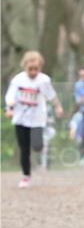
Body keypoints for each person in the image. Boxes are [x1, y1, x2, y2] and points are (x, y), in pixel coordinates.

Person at [5, 50, 63, 187]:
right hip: (20, 118)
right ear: (24, 66)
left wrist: (58, 107)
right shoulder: (18, 80)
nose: (33, 72)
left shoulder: (44, 80)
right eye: (30, 69)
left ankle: (41, 145)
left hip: (37, 118)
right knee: (23, 148)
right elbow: (9, 96)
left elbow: (52, 96)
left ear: (40, 67)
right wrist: (9, 107)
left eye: (36, 69)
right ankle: (26, 176)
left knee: (37, 146)